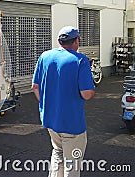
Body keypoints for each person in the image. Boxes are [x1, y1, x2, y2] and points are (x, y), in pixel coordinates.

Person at [31, 26, 95, 177]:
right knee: (72, 164)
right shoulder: (80, 60)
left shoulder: (45, 56)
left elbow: (35, 86)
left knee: (58, 152)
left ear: (59, 41)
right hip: (72, 123)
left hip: (50, 120)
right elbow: (86, 94)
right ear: (76, 41)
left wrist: (47, 103)